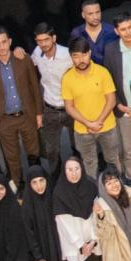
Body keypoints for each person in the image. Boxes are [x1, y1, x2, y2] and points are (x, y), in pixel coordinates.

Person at [52, 157, 110, 261]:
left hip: (91, 240)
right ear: (64, 171)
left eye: (76, 168)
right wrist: (80, 245)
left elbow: (94, 215)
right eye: (69, 169)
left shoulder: (90, 186)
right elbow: (63, 223)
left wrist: (92, 240)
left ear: (82, 169)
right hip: (74, 245)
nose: (74, 173)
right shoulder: (59, 193)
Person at [0, 26, 42, 183]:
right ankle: (19, 185)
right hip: (4, 119)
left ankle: (38, 182)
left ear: (10, 41)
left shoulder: (23, 59)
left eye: (4, 42)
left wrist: (39, 113)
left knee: (33, 153)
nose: (1, 46)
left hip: (27, 115)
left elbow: (35, 86)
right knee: (12, 157)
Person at [63, 37, 123, 176]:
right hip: (82, 130)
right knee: (89, 164)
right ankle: (93, 189)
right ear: (71, 56)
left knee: (113, 161)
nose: (81, 60)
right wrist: (88, 123)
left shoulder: (102, 72)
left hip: (107, 127)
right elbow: (69, 107)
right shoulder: (67, 78)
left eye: (84, 55)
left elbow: (111, 100)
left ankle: (118, 187)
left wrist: (98, 122)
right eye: (76, 56)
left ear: (89, 53)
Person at [102, 13, 131, 180]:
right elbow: (108, 80)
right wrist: (118, 104)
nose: (128, 32)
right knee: (129, 150)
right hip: (124, 108)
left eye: (130, 27)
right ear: (116, 31)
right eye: (123, 29)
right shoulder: (110, 49)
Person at [31, 23, 76, 178]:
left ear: (54, 38)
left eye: (46, 40)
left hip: (70, 107)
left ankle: (79, 176)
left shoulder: (67, 54)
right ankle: (56, 180)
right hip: (50, 108)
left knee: (77, 145)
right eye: (39, 41)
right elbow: (29, 64)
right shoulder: (37, 52)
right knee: (52, 151)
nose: (43, 44)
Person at [70, 0, 118, 65]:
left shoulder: (112, 31)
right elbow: (74, 56)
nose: (95, 17)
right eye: (90, 14)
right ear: (83, 15)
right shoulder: (77, 33)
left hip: (110, 70)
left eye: (97, 12)